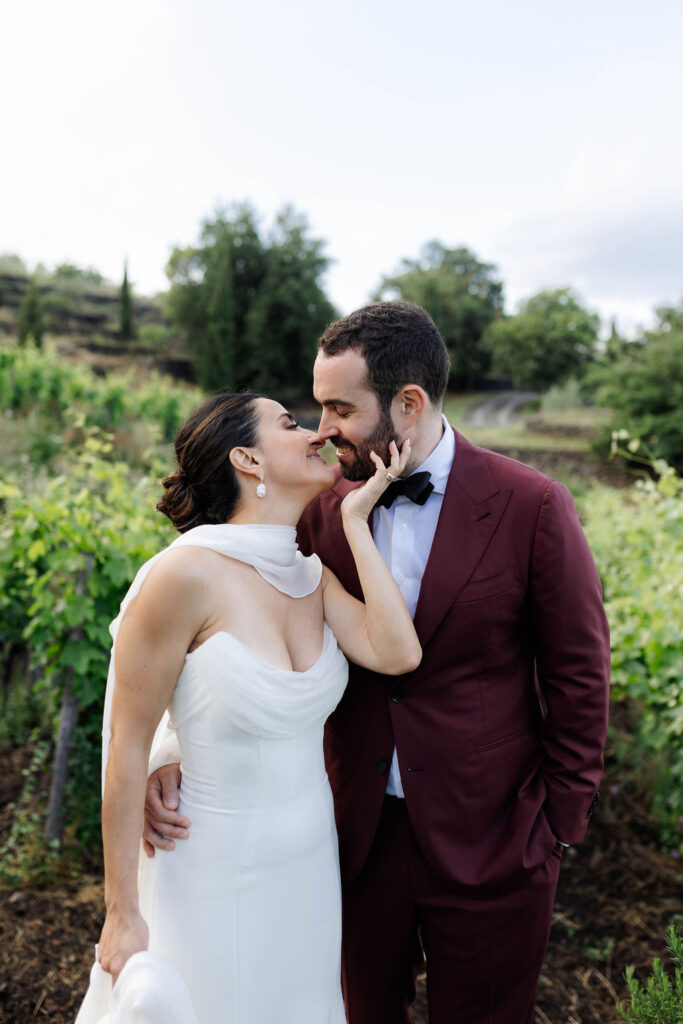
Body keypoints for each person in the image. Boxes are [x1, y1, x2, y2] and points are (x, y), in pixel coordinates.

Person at [145, 302, 611, 1024]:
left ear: (408, 404)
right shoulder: (311, 507)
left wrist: (556, 825)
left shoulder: (533, 506)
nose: (323, 428)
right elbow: (218, 626)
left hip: (496, 837)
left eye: (341, 408)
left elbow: (579, 675)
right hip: (348, 837)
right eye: (318, 407)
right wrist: (170, 750)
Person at [76, 390, 422, 1024]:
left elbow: (398, 653)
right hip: (210, 862)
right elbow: (127, 744)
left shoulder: (312, 577)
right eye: (290, 424)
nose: (316, 434)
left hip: (309, 867)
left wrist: (355, 520)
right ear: (248, 459)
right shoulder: (183, 577)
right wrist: (121, 910)